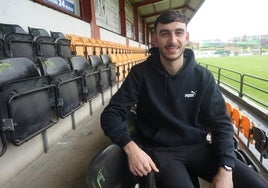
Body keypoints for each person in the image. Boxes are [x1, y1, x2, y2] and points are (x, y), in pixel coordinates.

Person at [100, 9, 268, 188]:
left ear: (186, 37)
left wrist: (226, 168)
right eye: (165, 33)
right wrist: (131, 148)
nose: (172, 40)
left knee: (257, 184)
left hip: (200, 148)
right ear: (155, 39)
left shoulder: (203, 77)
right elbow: (110, 114)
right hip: (162, 152)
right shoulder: (140, 74)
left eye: (178, 33)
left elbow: (222, 124)